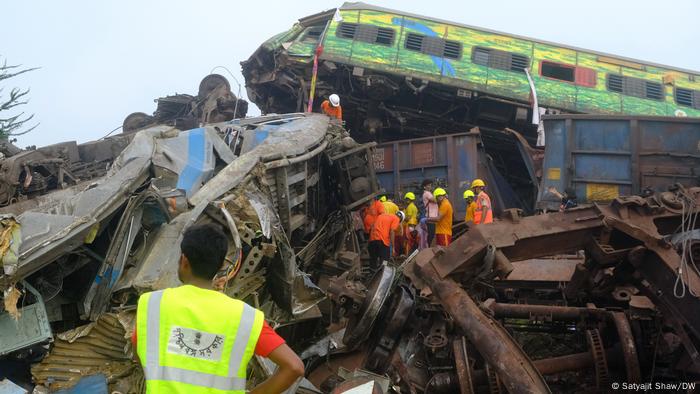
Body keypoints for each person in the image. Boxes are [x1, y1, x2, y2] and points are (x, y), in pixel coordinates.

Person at [133, 224, 304, 394]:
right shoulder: (246, 318)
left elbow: (139, 352)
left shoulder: (152, 304)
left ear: (184, 260)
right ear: (222, 265)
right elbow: (294, 367)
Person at [421, 179, 438, 246]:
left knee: (432, 236)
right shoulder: (427, 193)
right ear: (424, 187)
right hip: (431, 218)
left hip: (432, 218)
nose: (430, 186)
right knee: (431, 236)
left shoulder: (429, 193)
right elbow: (435, 200)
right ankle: (430, 250)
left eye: (430, 185)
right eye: (428, 185)